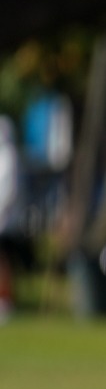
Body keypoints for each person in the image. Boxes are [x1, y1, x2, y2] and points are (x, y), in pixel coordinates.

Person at [0, 116, 29, 324]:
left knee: (3, 263)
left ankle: (5, 301)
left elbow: (9, 192)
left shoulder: (9, 157)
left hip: (6, 221)